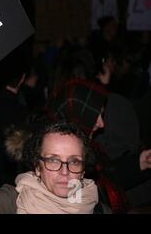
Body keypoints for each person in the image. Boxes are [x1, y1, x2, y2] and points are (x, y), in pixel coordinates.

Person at [46, 78, 151, 213]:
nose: (102, 124)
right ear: (78, 117)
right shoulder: (62, 168)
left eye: (102, 115)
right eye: (95, 116)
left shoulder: (84, 148)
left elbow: (105, 178)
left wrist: (139, 162)